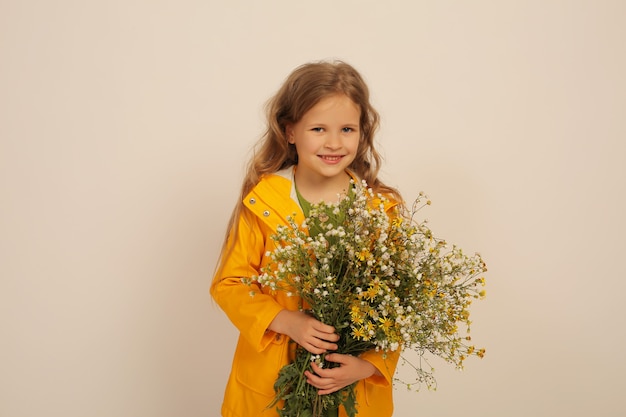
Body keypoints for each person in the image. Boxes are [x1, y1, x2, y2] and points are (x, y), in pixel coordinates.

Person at [211, 60, 404, 417]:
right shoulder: (263, 200)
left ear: (363, 132)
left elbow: (399, 305)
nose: (334, 142)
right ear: (290, 131)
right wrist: (285, 321)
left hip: (352, 393)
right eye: (318, 128)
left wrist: (369, 366)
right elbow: (229, 283)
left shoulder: (381, 209)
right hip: (269, 390)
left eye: (347, 129)